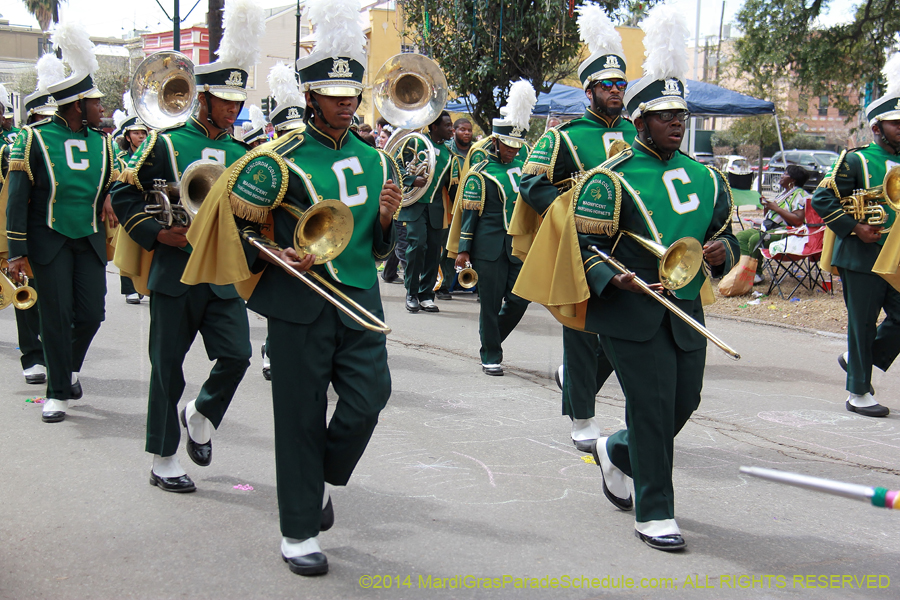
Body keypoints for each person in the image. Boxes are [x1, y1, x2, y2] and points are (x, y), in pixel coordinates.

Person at [182, 0, 401, 574]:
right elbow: (238, 227)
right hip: (301, 306)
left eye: (352, 93)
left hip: (359, 300)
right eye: (335, 95)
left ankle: (316, 477)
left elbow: (378, 252)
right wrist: (276, 254)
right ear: (310, 98)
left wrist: (384, 222)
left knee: (368, 399)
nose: (347, 102)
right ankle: (299, 528)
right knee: (300, 416)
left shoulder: (377, 160)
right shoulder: (272, 160)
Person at [571, 5, 738, 551]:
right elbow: (584, 243)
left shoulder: (708, 177)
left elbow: (730, 236)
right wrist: (610, 278)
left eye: (680, 114)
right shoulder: (609, 178)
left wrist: (722, 252)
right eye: (664, 114)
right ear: (639, 121)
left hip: (687, 306)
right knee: (650, 404)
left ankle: (617, 451)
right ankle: (655, 511)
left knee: (681, 404)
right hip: (632, 305)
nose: (675, 121)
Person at [110, 0, 265, 492]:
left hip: (221, 278)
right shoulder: (166, 142)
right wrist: (157, 233)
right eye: (225, 100)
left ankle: (201, 413)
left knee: (238, 356)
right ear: (203, 99)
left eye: (238, 102)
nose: (233, 109)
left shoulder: (244, 153)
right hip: (175, 272)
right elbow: (123, 192)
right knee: (166, 369)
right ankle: (162, 458)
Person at [515, 5, 636, 451]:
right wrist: (567, 208)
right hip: (582, 244)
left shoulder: (638, 132)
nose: (615, 91)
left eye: (621, 84)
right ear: (589, 91)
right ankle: (583, 415)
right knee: (582, 331)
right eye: (607, 85)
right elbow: (530, 182)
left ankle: (576, 383)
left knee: (625, 328)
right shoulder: (565, 136)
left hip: (629, 244)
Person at [6, 24, 117, 423]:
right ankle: (57, 392)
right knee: (54, 314)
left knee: (91, 313)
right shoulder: (33, 139)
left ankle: (66, 367)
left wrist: (109, 194)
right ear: (74, 105)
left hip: (86, 238)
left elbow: (116, 181)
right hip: (47, 239)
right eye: (95, 101)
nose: (101, 107)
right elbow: (17, 198)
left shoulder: (104, 143)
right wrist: (16, 251)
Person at [812, 53, 900, 418]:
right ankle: (858, 392)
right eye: (896, 124)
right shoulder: (856, 159)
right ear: (877, 128)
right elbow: (822, 197)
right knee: (861, 323)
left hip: (895, 253)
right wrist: (855, 227)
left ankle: (858, 359)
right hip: (862, 253)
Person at [450, 80, 536, 376]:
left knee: (519, 298)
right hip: (487, 248)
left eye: (516, 146)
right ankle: (491, 354)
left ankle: (491, 339)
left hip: (516, 246)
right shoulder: (480, 173)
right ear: (496, 142)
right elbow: (469, 215)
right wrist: (463, 250)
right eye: (508, 145)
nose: (512, 151)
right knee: (489, 303)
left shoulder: (525, 167)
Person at [397, 111, 456, 312]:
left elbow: (450, 184)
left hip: (435, 207)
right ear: (433, 127)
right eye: (447, 125)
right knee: (417, 245)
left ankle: (426, 294)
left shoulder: (449, 153)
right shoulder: (417, 143)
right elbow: (396, 165)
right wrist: (412, 179)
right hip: (414, 204)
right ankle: (411, 292)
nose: (451, 129)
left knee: (433, 251)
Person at [736, 165, 808, 284]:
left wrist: (776, 208)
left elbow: (798, 221)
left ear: (793, 180)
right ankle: (744, 270)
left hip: (788, 231)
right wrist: (767, 206)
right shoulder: (784, 193)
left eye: (785, 174)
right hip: (769, 228)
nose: (781, 176)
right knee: (742, 236)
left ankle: (756, 273)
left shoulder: (799, 195)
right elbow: (770, 215)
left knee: (756, 239)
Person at [113, 114, 149, 304]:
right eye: (136, 133)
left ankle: (142, 284)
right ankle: (129, 288)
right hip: (127, 207)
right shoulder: (120, 160)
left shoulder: (151, 154)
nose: (141, 137)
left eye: (143, 132)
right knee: (127, 248)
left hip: (148, 205)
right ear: (127, 137)